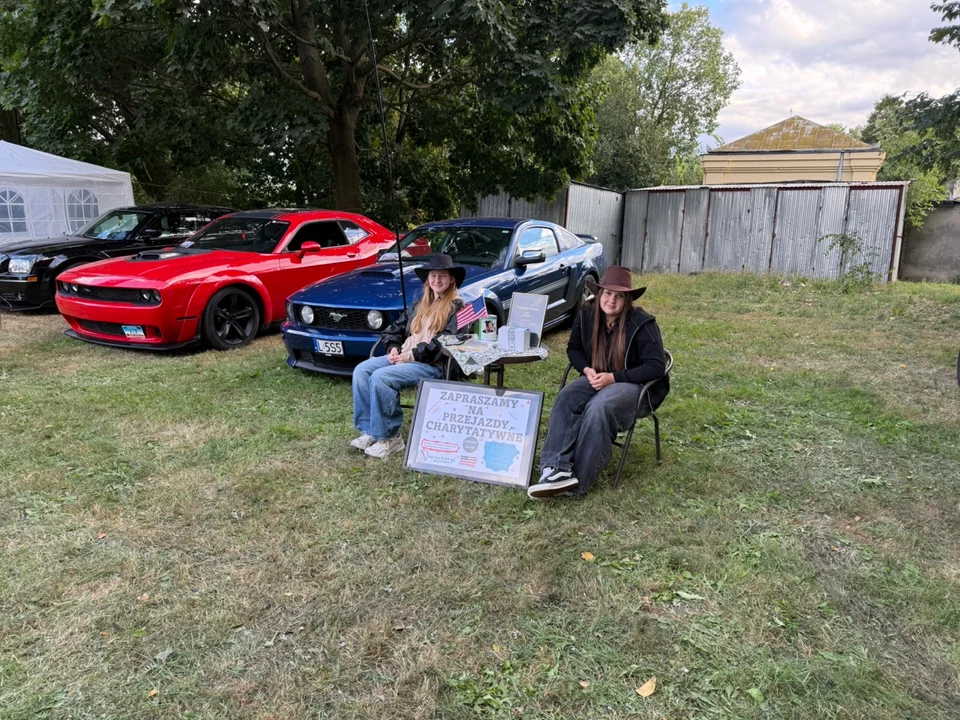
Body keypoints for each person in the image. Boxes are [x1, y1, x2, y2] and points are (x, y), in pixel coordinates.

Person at [528, 266, 669, 498]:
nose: (611, 300)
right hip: (598, 377)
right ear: (600, 293)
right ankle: (554, 469)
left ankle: (577, 483)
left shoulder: (642, 323)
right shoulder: (587, 314)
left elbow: (656, 367)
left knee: (599, 406)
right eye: (607, 293)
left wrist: (614, 378)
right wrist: (586, 369)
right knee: (567, 397)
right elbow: (574, 348)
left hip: (636, 385)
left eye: (619, 296)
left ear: (627, 300)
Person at [350, 254, 466, 458]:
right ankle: (369, 431)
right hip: (403, 356)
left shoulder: (459, 307)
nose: (437, 280)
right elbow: (394, 329)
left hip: (434, 364)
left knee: (381, 377)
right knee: (362, 370)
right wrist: (394, 347)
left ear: (451, 280)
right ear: (427, 279)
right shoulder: (419, 305)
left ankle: (390, 437)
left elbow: (447, 341)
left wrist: (411, 355)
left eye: (442, 276)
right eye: (433, 275)